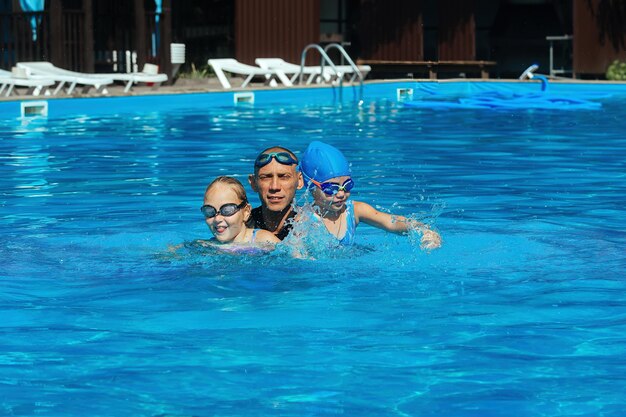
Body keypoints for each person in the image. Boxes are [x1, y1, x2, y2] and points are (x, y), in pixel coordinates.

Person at [298, 141, 442, 249]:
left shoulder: (354, 211)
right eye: (331, 189)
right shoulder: (302, 219)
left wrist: (422, 229)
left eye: (347, 186)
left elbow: (391, 222)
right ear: (310, 186)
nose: (341, 194)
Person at [201, 176, 280, 248]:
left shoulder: (264, 240)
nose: (217, 219)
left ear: (246, 212)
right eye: (209, 211)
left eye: (227, 210)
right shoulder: (207, 247)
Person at [247, 146, 303, 240]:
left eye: (284, 177)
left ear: (299, 181)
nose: (274, 187)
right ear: (253, 183)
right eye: (266, 177)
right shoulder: (242, 224)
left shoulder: (311, 226)